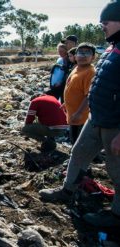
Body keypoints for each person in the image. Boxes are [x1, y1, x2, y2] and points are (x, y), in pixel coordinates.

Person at [39, 1, 120, 227]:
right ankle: (67, 190)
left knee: (116, 169)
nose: (102, 25)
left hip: (115, 123)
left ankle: (116, 216)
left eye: (107, 21)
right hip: (97, 118)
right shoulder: (113, 48)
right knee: (78, 152)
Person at [62, 43, 96, 144]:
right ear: (75, 56)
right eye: (80, 52)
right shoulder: (77, 68)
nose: (83, 56)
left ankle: (80, 159)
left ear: (93, 57)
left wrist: (79, 113)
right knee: (74, 139)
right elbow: (73, 88)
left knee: (79, 142)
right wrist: (66, 103)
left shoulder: (90, 72)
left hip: (81, 116)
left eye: (87, 53)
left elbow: (88, 95)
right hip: (73, 113)